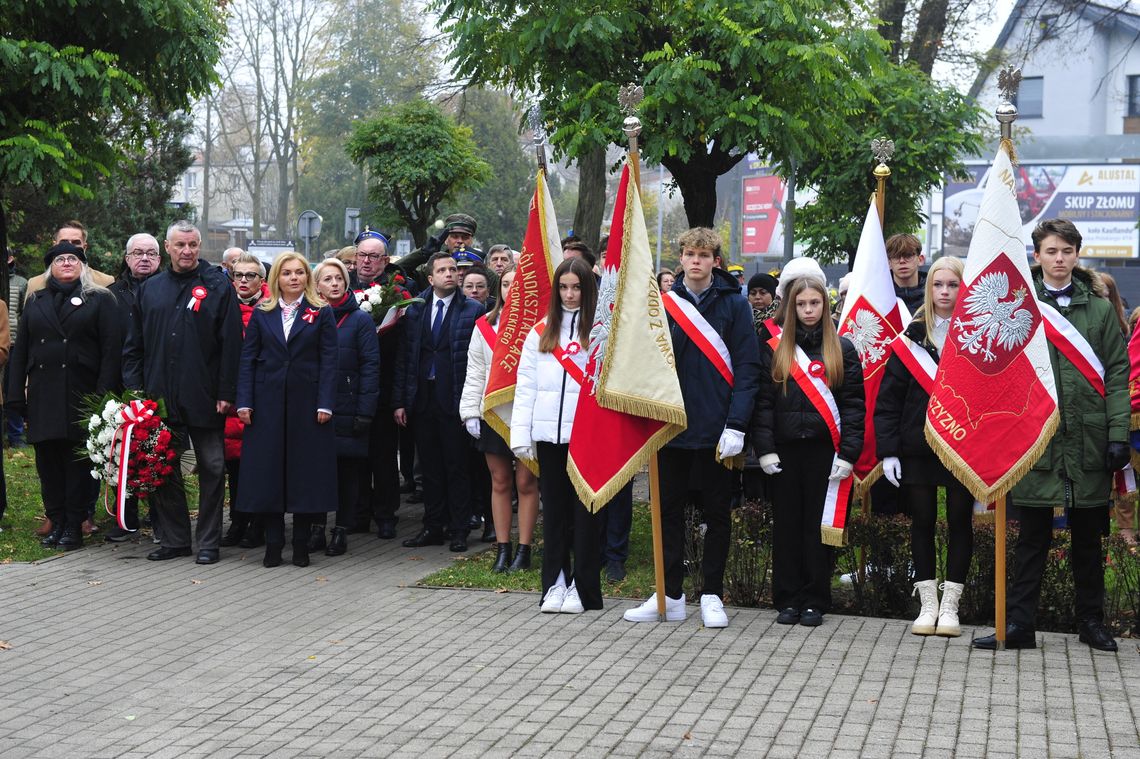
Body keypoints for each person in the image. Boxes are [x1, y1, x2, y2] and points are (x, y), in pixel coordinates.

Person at [976, 219, 1128, 652]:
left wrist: (1117, 432)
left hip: (1088, 440)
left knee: (1087, 540)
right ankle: (1019, 626)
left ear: (1077, 254)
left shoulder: (1099, 310)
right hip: (1034, 439)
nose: (1059, 259)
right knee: (1031, 541)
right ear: (1037, 256)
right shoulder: (1019, 305)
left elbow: (1117, 373)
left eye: (1067, 251)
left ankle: (1091, 623)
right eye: (1051, 251)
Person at [623, 228, 760, 629]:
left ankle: (712, 595)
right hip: (670, 429)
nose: (695, 260)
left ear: (715, 260)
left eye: (703, 254)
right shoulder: (662, 305)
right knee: (667, 514)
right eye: (689, 253)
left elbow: (748, 369)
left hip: (718, 429)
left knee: (717, 515)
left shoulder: (735, 305)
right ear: (680, 258)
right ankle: (670, 593)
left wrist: (737, 423)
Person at [123, 220, 243, 565]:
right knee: (161, 467)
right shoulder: (151, 289)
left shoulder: (217, 287)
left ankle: (208, 541)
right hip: (159, 398)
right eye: (180, 245)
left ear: (199, 246)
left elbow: (232, 344)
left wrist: (226, 390)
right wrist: (135, 390)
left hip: (205, 395)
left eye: (193, 245)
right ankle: (175, 538)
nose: (187, 251)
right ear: (168, 248)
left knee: (212, 466)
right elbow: (134, 346)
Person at [753, 274, 863, 628]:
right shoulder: (774, 347)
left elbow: (853, 407)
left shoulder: (842, 349)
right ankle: (787, 598)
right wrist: (765, 449)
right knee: (786, 527)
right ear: (791, 307)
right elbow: (764, 404)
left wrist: (848, 454)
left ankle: (816, 598)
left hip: (825, 452)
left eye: (815, 303)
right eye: (801, 304)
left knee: (819, 528)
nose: (808, 310)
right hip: (784, 452)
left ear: (825, 305)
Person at [875, 256, 973, 637]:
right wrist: (888, 451)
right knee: (923, 523)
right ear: (928, 288)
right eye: (938, 284)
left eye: (953, 285)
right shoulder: (910, 338)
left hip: (963, 446)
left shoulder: (976, 336)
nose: (945, 292)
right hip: (917, 448)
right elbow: (888, 401)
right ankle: (928, 605)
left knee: (961, 522)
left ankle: (951, 607)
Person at [8, 242, 119, 550]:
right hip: (44, 394)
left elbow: (111, 351)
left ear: (82, 266)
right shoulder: (36, 300)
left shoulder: (99, 300)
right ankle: (55, 520)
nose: (67, 263)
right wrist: (15, 394)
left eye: (73, 258)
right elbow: (21, 353)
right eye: (60, 259)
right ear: (50, 267)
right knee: (48, 462)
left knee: (76, 463)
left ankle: (74, 523)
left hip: (81, 393)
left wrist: (103, 397)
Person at [511, 257, 602, 613]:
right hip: (548, 436)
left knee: (585, 516)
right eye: (563, 287)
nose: (569, 294)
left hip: (586, 437)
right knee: (556, 513)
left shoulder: (599, 331)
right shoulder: (541, 331)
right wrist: (521, 434)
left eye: (576, 287)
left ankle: (583, 587)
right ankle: (555, 584)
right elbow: (526, 384)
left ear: (587, 289)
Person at [235, 252, 338, 568]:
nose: (293, 278)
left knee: (303, 474)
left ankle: (301, 545)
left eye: (299, 272)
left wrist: (325, 402)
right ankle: (273, 543)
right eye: (286, 273)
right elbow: (248, 359)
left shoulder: (320, 313)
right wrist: (244, 401)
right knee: (269, 474)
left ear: (307, 277)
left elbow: (330, 361)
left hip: (307, 405)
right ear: (275, 278)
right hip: (267, 404)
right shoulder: (263, 313)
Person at [393, 251, 484, 552]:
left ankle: (458, 528)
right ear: (430, 278)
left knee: (456, 466)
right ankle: (433, 525)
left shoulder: (472, 310)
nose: (450, 274)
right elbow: (406, 358)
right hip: (423, 398)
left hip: (454, 398)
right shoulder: (416, 311)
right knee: (429, 467)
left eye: (453, 269)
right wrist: (402, 401)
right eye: (443, 270)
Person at [461, 267, 541, 571]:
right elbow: (475, 372)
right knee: (500, 481)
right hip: (494, 412)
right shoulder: (484, 325)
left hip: (527, 414)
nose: (511, 288)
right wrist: (470, 411)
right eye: (506, 283)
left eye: (517, 283)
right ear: (499, 289)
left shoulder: (540, 326)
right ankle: (503, 547)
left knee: (526, 481)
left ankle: (525, 548)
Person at [308, 258, 379, 556]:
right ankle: (316, 528)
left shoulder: (360, 319)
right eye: (328, 279)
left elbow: (371, 366)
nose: (335, 283)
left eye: (339, 278)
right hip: (314, 409)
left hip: (348, 407)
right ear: (317, 285)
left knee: (347, 474)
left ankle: (342, 530)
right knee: (316, 472)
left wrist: (365, 410)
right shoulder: (308, 315)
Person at [104, 233, 163, 542]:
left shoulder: (168, 291)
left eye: (151, 253)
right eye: (138, 253)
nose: (144, 258)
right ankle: (124, 516)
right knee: (121, 453)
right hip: (119, 387)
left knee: (158, 452)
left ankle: (160, 514)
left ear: (160, 259)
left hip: (159, 384)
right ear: (126, 258)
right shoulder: (110, 295)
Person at [352, 227, 407, 536]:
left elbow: (401, 350)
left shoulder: (396, 294)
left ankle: (386, 514)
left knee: (384, 456)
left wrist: (399, 397)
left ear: (385, 261)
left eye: (374, 256)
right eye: (362, 255)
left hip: (384, 387)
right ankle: (358, 512)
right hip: (352, 387)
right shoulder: (343, 288)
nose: (367, 262)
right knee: (356, 454)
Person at [219, 253, 269, 549]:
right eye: (238, 275)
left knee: (260, 466)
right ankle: (237, 522)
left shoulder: (272, 308)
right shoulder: (224, 308)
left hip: (262, 397)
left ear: (262, 281)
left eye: (251, 276)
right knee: (234, 468)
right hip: (231, 398)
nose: (244, 281)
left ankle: (258, 525)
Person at [26, 221, 116, 298]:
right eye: (63, 242)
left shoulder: (105, 282)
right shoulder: (35, 284)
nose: (69, 246)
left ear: (84, 247)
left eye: (75, 243)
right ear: (55, 245)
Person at [6, 252, 28, 449]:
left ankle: (16, 435)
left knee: (13, 388)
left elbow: (23, 313)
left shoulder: (21, 283)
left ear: (10, 259)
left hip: (13, 344)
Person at [886, 233, 926, 315]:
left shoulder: (934, 294)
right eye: (896, 256)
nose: (902, 261)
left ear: (920, 259)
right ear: (889, 263)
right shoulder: (879, 295)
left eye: (908, 255)